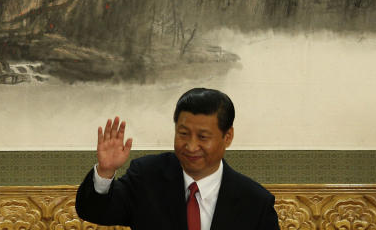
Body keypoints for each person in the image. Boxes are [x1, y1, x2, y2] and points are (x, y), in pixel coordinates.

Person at [75, 88, 280, 229]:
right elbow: (94, 212)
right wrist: (105, 171)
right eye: (183, 134)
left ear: (227, 137)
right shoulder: (147, 177)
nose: (190, 146)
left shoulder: (255, 203)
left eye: (202, 137)